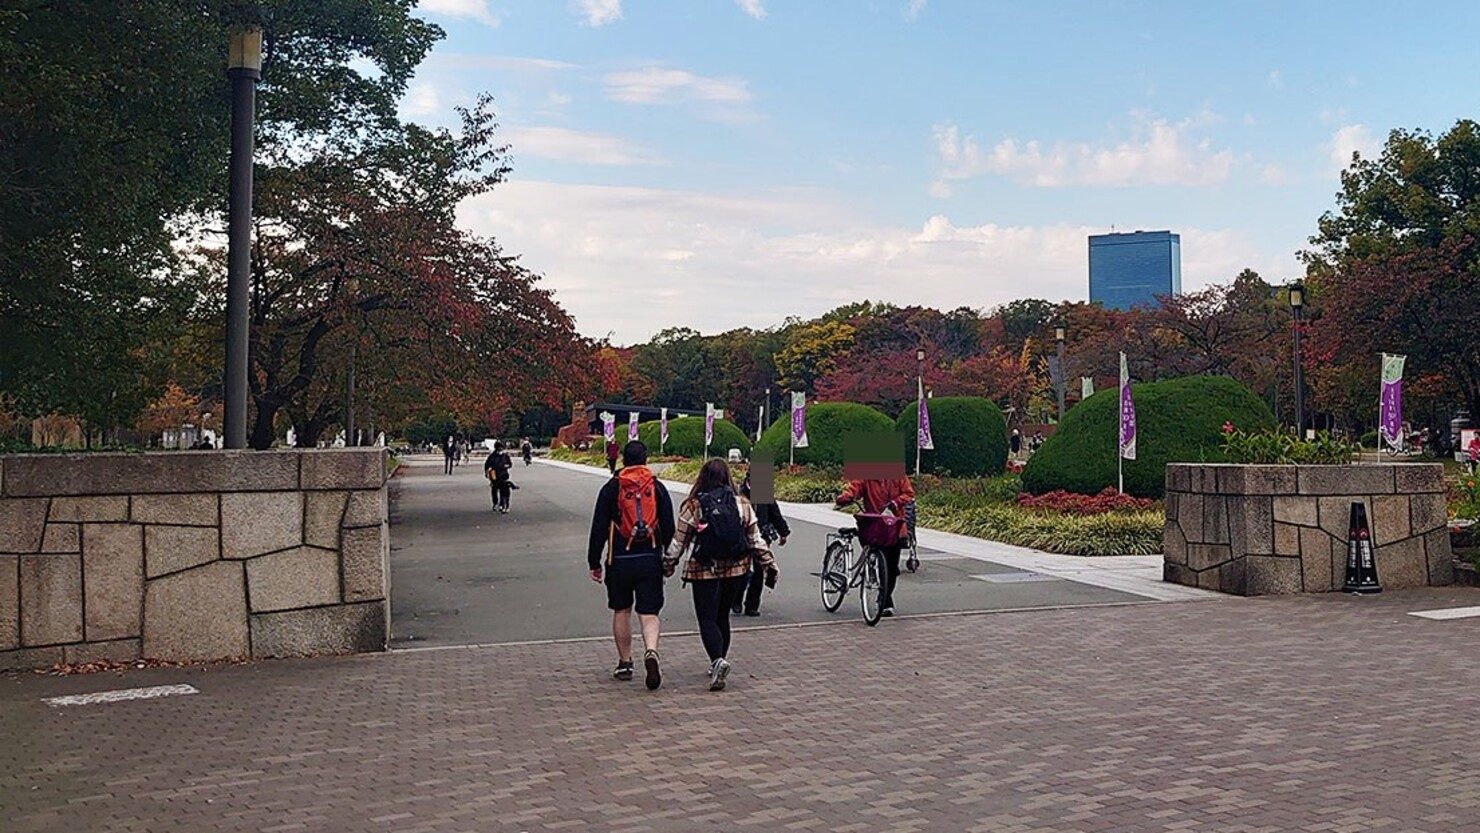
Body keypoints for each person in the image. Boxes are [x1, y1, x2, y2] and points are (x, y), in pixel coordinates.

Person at [665, 460, 778, 691]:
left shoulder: (694, 505)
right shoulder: (742, 504)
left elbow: (678, 542)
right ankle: (719, 661)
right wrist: (770, 564)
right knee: (722, 616)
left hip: (702, 568)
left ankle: (717, 661)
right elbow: (755, 539)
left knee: (706, 619)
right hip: (736, 569)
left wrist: (668, 565)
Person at [588, 440, 675, 690]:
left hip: (619, 560)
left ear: (623, 459)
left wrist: (594, 562)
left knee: (622, 610)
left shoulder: (612, 488)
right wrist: (668, 556)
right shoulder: (656, 488)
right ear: (646, 459)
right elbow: (667, 527)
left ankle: (625, 662)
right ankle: (651, 650)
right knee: (649, 613)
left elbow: (598, 528)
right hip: (650, 559)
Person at [835, 471, 915, 618]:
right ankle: (884, 599)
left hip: (894, 527)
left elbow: (908, 494)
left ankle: (885, 597)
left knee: (891, 567)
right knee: (880, 559)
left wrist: (896, 502)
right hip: (873, 525)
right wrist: (846, 497)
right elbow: (855, 487)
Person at [734, 475, 789, 617]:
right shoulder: (739, 494)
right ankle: (736, 600)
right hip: (742, 537)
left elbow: (775, 513)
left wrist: (784, 532)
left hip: (761, 537)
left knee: (759, 572)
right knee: (741, 570)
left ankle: (752, 605)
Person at [484, 441, 514, 513]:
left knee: (503, 490)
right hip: (494, 476)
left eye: (501, 448)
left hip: (503, 475)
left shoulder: (505, 456)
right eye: (499, 448)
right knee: (494, 490)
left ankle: (502, 504)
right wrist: (487, 472)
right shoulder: (492, 457)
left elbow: (510, 464)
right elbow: (487, 465)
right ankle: (495, 503)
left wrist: (507, 465)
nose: (501, 450)